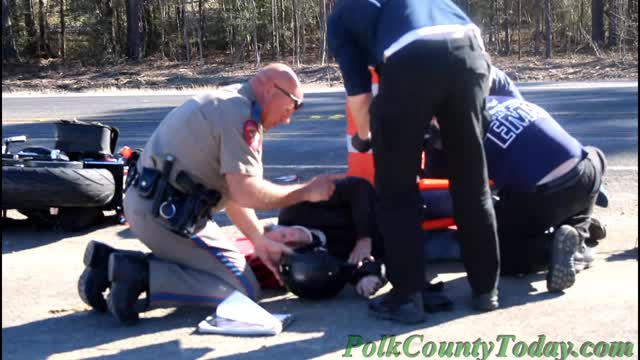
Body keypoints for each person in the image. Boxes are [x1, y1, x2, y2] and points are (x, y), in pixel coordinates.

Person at [77, 63, 341, 324]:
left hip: (152, 205)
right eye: (291, 106)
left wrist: (259, 239)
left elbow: (233, 193)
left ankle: (108, 266)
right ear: (272, 89)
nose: (287, 118)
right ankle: (140, 275)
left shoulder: (229, 101)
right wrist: (304, 192)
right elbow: (247, 192)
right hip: (167, 217)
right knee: (242, 287)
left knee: (226, 267)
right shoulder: (242, 117)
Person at [328, 0, 500, 323]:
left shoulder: (342, 14)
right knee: (472, 182)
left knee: (396, 191)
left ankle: (407, 297)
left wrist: (365, 138)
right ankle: (485, 289)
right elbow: (466, 60)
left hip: (411, 60)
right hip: (472, 53)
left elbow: (360, 97)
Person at [423, 95, 607, 291]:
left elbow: (440, 189)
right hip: (586, 173)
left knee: (494, 254)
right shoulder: (500, 100)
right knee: (592, 155)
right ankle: (579, 226)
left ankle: (555, 248)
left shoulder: (454, 130)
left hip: (541, 198)